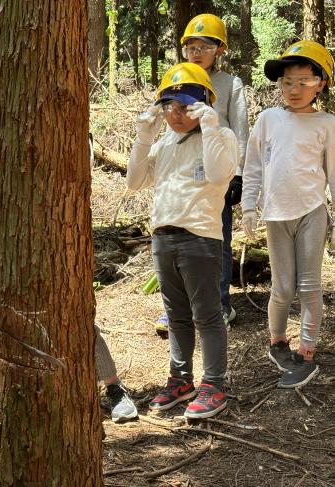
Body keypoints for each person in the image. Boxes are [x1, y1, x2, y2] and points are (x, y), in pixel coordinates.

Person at [0, 118, 138, 423]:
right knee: (19, 318)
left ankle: (113, 387)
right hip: (15, 245)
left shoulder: (68, 124)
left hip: (62, 239)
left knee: (77, 314)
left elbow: (78, 173)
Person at [127, 62, 238, 418]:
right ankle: (181, 379)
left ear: (204, 103)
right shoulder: (165, 143)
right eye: (169, 106)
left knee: (207, 315)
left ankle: (214, 384)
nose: (176, 114)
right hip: (163, 236)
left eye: (185, 106)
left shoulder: (222, 137)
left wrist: (210, 125)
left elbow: (221, 173)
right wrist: (144, 137)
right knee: (176, 316)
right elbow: (134, 181)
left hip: (200, 238)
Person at [242, 40, 335, 388]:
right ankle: (278, 342)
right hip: (276, 214)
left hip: (312, 211)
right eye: (287, 83)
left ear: (320, 84)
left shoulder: (327, 124)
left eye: (303, 82)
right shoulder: (268, 119)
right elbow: (252, 166)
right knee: (281, 288)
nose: (294, 90)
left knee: (309, 287)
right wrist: (249, 206)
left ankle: (306, 354)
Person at [154, 13, 249, 337]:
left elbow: (240, 130)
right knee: (174, 239)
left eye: (204, 46)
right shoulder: (178, 80)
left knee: (216, 240)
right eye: (191, 46)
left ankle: (220, 304)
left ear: (219, 49)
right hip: (181, 172)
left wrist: (238, 174)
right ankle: (176, 309)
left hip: (216, 170)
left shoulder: (230, 84)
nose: (197, 51)